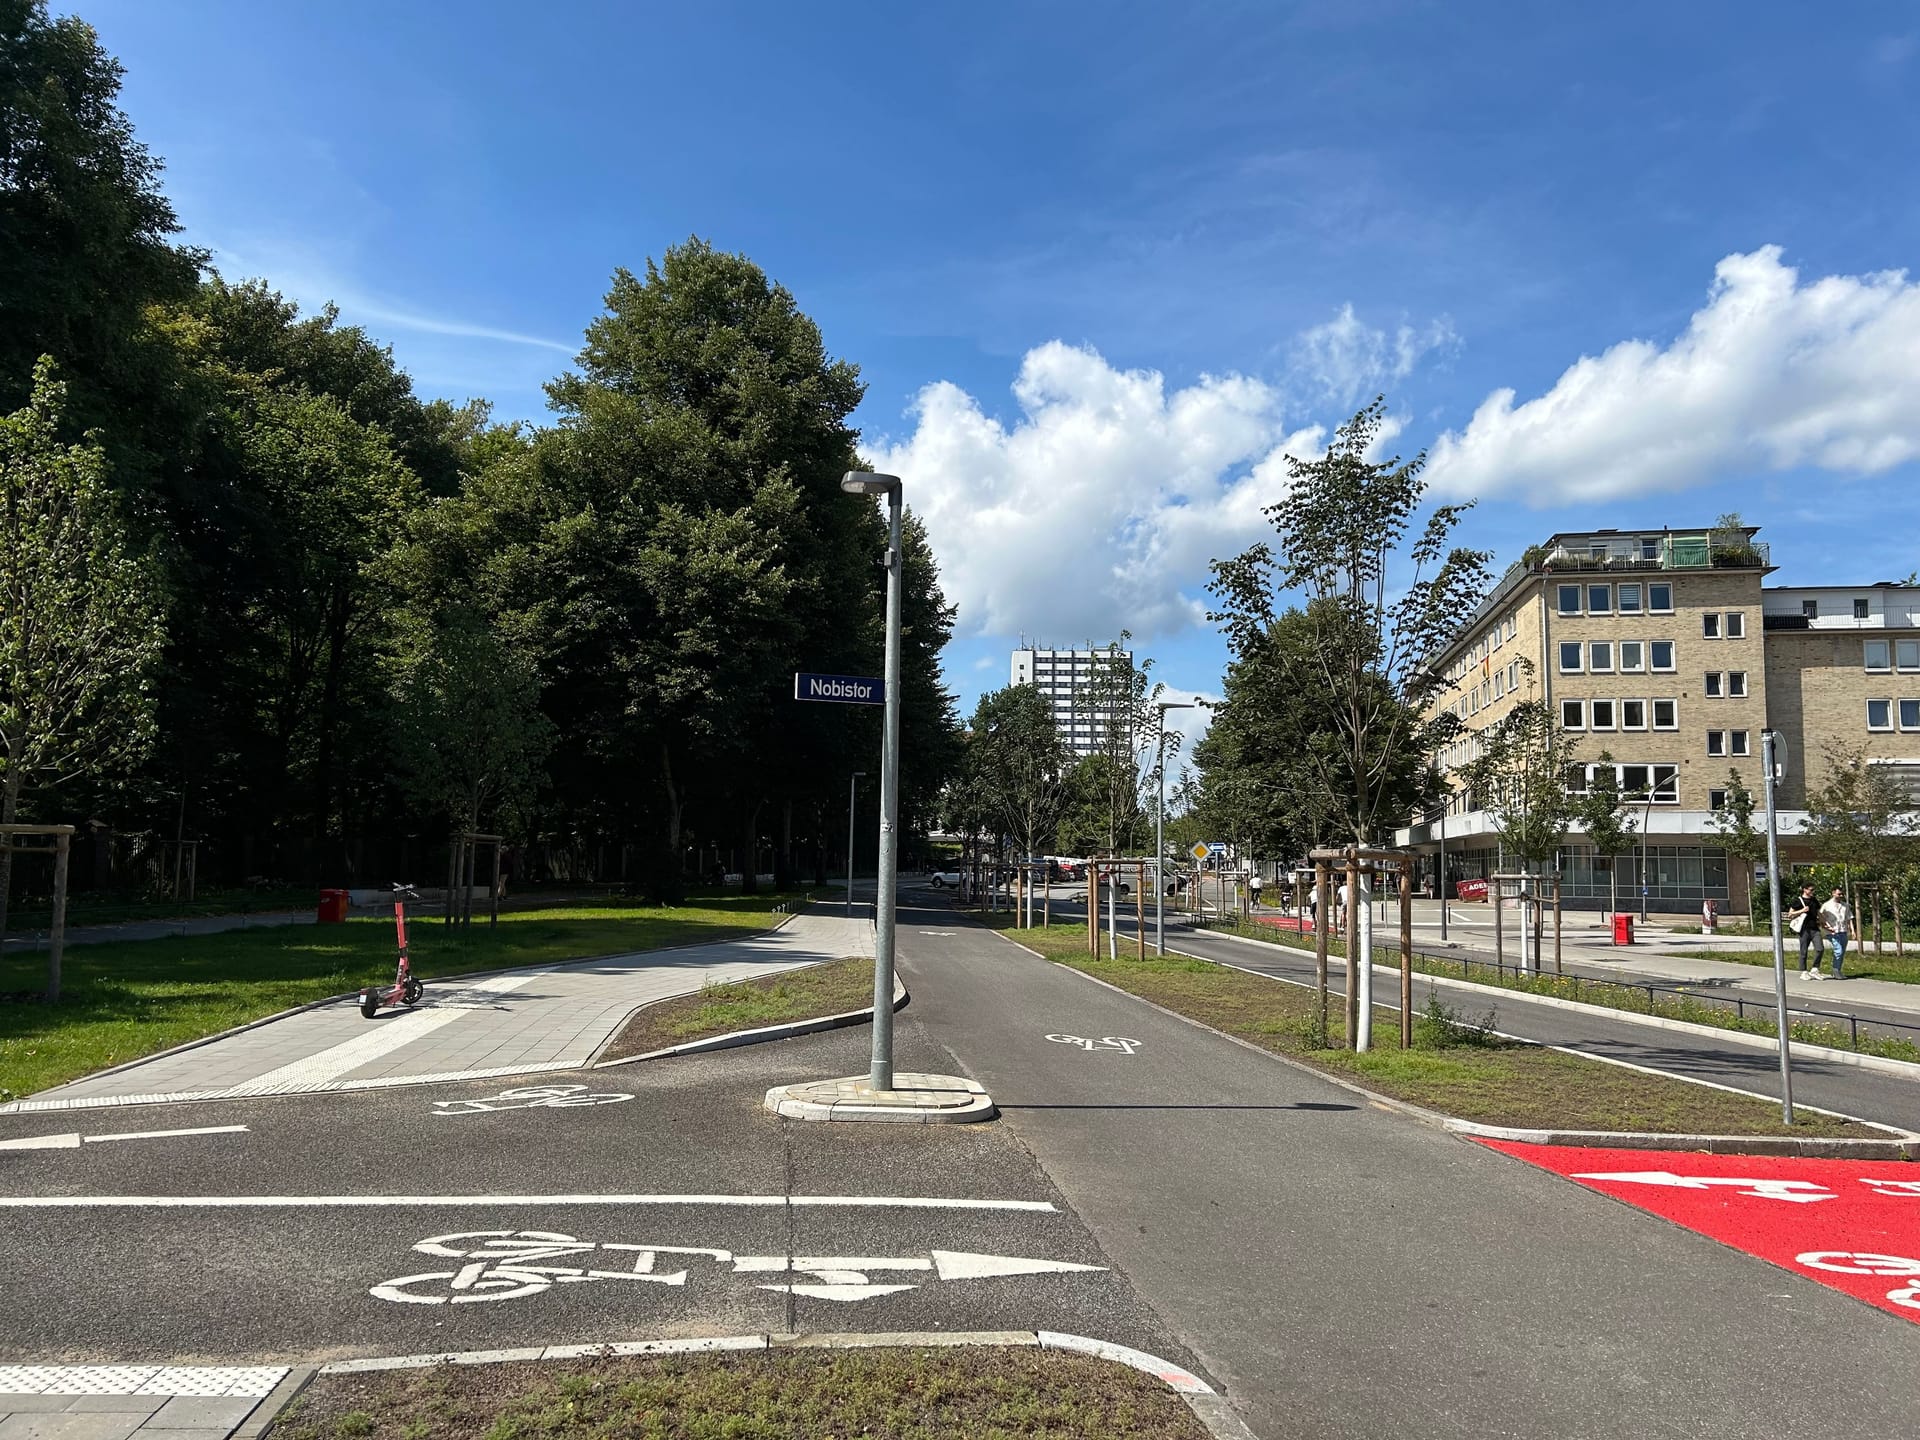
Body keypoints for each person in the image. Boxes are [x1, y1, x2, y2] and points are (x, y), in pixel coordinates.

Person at [1787, 883, 1822, 978]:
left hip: (1815, 928)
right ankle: (1803, 971)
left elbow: (1819, 913)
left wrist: (1825, 923)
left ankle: (1815, 969)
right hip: (1804, 929)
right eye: (1811, 890)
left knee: (1820, 949)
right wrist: (1802, 910)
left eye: (1813, 890)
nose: (1812, 892)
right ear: (1805, 890)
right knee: (1804, 951)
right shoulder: (1798, 901)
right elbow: (1790, 914)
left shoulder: (1814, 900)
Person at [1819, 886, 1852, 979]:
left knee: (1842, 951)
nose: (1840, 895)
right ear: (1833, 893)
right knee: (1838, 950)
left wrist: (1852, 930)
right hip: (1832, 931)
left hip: (1843, 930)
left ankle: (1837, 969)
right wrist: (1825, 926)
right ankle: (1835, 970)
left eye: (1842, 894)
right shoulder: (1827, 905)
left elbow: (1849, 918)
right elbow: (1820, 916)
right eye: (1838, 894)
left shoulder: (1845, 905)